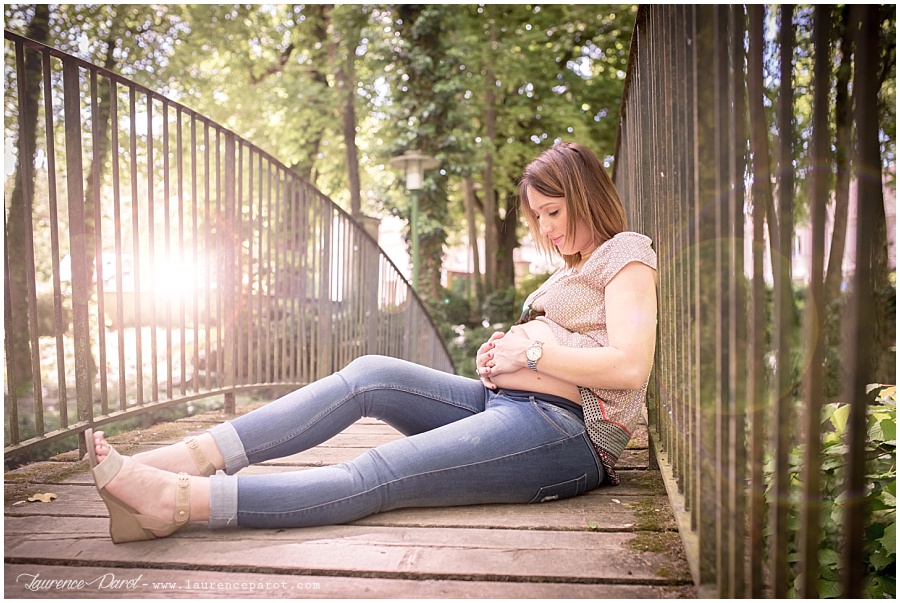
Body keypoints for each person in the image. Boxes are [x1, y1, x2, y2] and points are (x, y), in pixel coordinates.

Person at [86, 141, 658, 544]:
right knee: (371, 373)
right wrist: (503, 352)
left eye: (553, 212)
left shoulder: (626, 253)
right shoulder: (570, 271)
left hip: (564, 434)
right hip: (508, 405)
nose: (548, 229)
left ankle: (177, 503)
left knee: (379, 471)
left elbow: (630, 367)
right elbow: (567, 340)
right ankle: (193, 457)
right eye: (539, 217)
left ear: (584, 195)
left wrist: (530, 352)